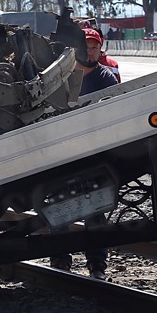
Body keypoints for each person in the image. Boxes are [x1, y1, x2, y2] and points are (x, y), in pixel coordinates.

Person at [51, 27, 117, 278]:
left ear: (101, 50)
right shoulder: (60, 79)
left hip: (95, 156)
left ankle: (97, 265)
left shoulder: (106, 78)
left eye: (94, 46)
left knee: (96, 210)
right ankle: (60, 260)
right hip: (63, 156)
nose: (90, 50)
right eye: (86, 46)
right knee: (59, 207)